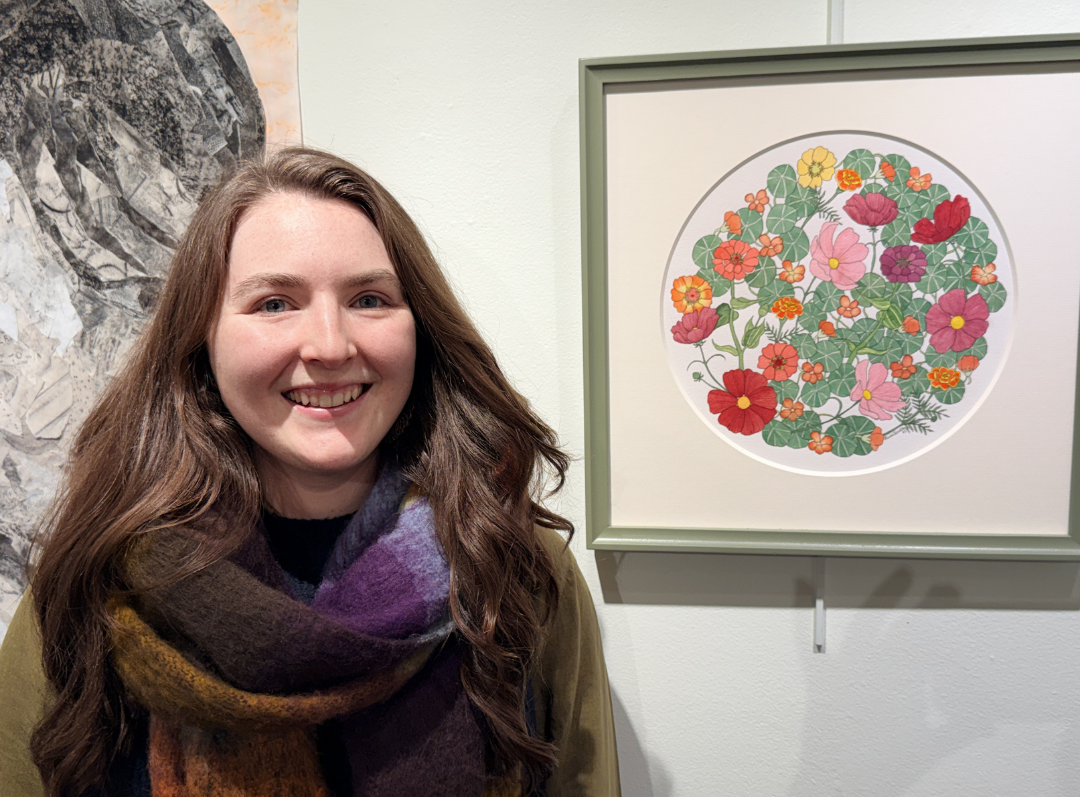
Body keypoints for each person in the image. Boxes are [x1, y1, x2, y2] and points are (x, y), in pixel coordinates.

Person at [0, 148, 620, 797]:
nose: (329, 345)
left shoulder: (512, 564)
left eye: (369, 299)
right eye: (274, 303)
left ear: (420, 328)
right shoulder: (92, 576)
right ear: (202, 338)